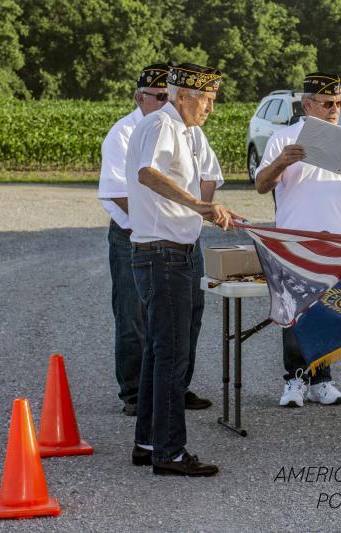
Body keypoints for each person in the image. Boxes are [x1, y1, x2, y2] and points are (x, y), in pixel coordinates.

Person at [126, 63, 240, 476]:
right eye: (206, 99)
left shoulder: (187, 131)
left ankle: (148, 442)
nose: (210, 107)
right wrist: (199, 205)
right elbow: (148, 173)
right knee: (171, 356)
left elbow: (199, 182)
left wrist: (207, 209)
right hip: (162, 255)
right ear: (184, 96)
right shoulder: (162, 124)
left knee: (161, 353)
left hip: (176, 251)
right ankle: (170, 453)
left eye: (213, 99)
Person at [255, 71, 341, 408]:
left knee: (326, 311)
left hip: (336, 239)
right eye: (328, 103)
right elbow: (261, 185)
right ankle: (295, 379)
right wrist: (281, 162)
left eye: (339, 104)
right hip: (295, 238)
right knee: (295, 311)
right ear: (307, 104)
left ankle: (322, 379)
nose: (334, 110)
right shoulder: (284, 138)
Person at [98, 64, 218, 417]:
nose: (166, 101)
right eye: (160, 96)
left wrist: (196, 210)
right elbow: (126, 188)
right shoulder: (129, 131)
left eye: (168, 95)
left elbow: (209, 175)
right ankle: (137, 392)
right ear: (140, 98)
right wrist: (171, 213)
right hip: (138, 233)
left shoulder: (189, 130)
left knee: (188, 314)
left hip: (181, 233)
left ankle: (174, 388)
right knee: (135, 317)